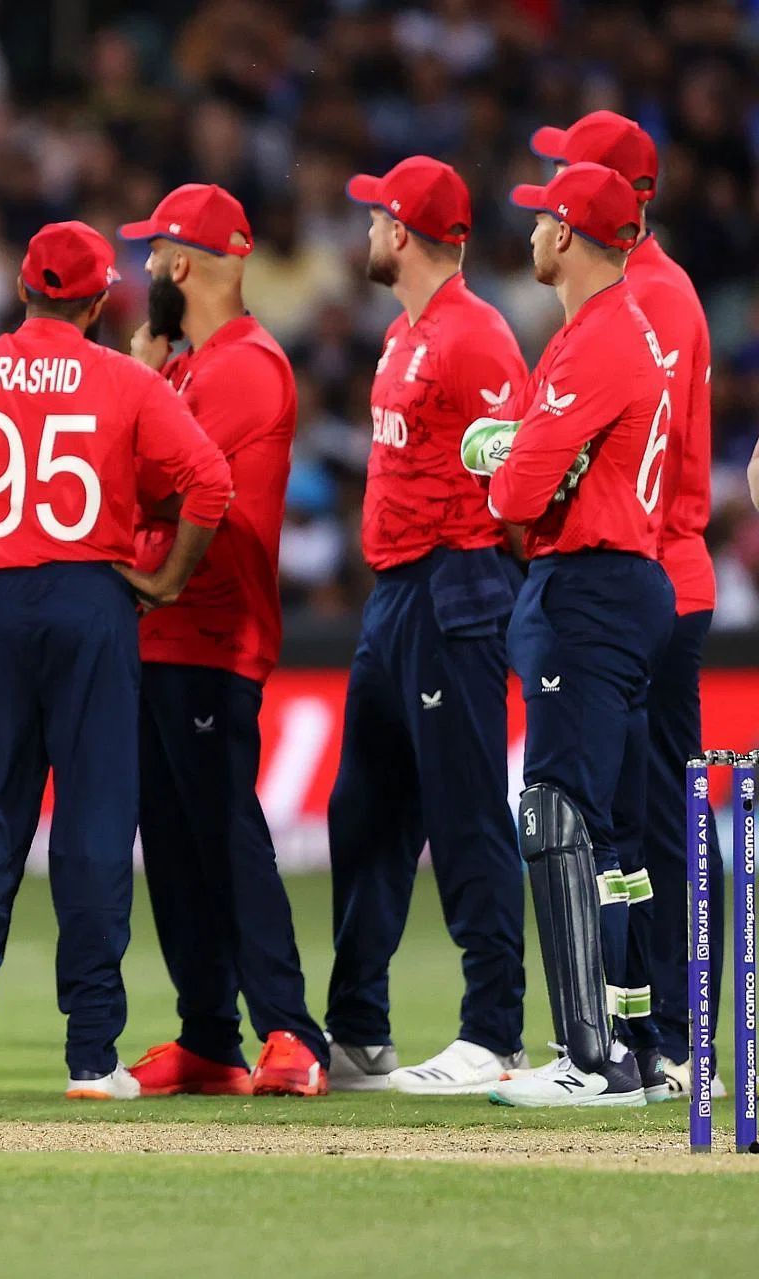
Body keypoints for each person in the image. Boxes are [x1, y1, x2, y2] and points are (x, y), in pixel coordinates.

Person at [0, 221, 233, 1102]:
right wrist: (165, 577)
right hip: (93, 604)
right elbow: (210, 484)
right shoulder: (126, 381)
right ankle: (95, 1058)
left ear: (22, 290)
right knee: (96, 829)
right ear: (101, 302)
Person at [321, 157, 531, 1094]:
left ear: (402, 233)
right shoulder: (407, 334)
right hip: (397, 593)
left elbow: (514, 478)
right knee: (364, 810)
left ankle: (495, 1030)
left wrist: (489, 581)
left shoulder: (475, 338)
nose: (365, 231)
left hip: (457, 587)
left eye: (375, 217)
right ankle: (360, 1031)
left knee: (465, 809)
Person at [114, 184, 329, 1097]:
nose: (141, 270)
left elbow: (156, 481)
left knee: (224, 831)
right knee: (173, 840)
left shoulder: (245, 365)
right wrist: (146, 371)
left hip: (210, 630)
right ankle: (209, 1034)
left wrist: (132, 378)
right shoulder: (189, 367)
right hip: (161, 631)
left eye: (151, 253)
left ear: (181, 262)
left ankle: (291, 1029)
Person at [468, 163, 672, 1107]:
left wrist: (499, 450)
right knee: (614, 835)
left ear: (568, 232)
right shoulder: (617, 330)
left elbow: (513, 494)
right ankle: (630, 1043)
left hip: (585, 587)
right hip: (627, 584)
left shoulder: (594, 344)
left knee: (557, 813)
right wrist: (519, 443)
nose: (533, 233)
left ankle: (590, 1059)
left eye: (543, 219)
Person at [532, 111, 715, 1100]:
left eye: (573, 171)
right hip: (658, 574)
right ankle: (655, 1038)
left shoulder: (644, 300)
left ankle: (671, 1040)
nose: (558, 185)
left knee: (644, 822)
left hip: (646, 572)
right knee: (641, 823)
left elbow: (641, 465)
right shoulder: (654, 292)